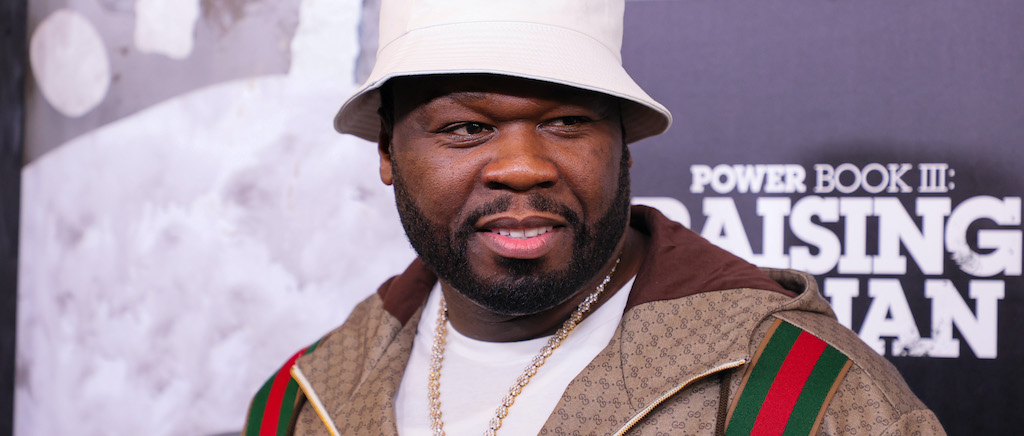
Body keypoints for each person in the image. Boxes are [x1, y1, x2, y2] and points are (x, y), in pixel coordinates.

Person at [243, 0, 945, 434]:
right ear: (388, 152)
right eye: (466, 128)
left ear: (623, 148)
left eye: (567, 122)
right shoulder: (299, 406)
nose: (523, 167)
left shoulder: (800, 395)